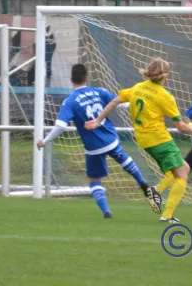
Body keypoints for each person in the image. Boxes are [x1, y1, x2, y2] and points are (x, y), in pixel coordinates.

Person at [85, 58, 192, 224]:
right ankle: (167, 215)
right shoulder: (165, 96)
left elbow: (114, 101)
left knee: (182, 168)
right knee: (182, 174)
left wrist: (98, 121)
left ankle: (156, 190)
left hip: (143, 140)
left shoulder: (137, 88)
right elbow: (180, 127)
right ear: (165, 75)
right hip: (159, 139)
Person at [36, 63, 161, 219]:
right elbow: (122, 104)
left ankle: (106, 211)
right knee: (121, 156)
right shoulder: (99, 91)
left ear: (71, 80)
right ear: (87, 77)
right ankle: (141, 181)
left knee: (95, 179)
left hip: (93, 146)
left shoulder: (70, 101)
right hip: (110, 138)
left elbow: (60, 126)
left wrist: (45, 141)